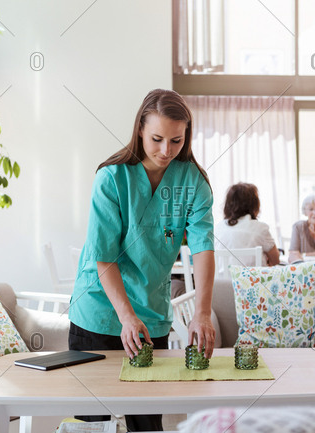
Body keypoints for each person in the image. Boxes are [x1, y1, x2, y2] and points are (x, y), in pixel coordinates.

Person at [69, 89, 216, 432]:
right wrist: (125, 315)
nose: (167, 150)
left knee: (147, 422)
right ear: (139, 130)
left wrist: (203, 312)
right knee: (92, 424)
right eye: (157, 139)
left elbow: (204, 248)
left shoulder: (193, 182)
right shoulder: (111, 178)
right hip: (99, 313)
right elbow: (103, 257)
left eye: (176, 140)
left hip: (151, 317)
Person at [214, 183, 280, 267]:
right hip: (252, 279)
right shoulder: (260, 228)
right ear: (255, 204)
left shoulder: (218, 228)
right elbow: (275, 260)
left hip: (220, 280)